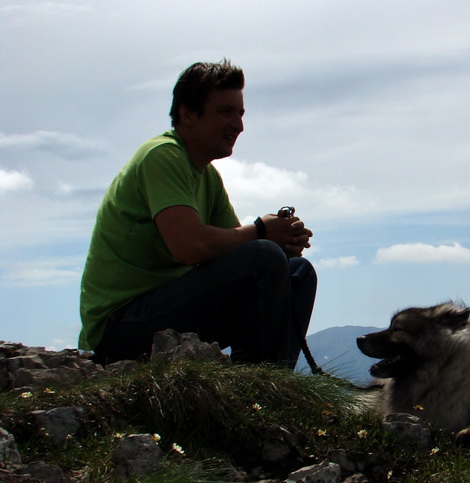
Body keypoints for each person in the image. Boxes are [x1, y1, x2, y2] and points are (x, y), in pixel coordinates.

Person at [78, 59, 317, 369]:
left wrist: (282, 242)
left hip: (165, 312)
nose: (238, 125)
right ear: (187, 114)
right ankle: (257, 388)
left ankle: (269, 385)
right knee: (264, 257)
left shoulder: (206, 175)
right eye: (225, 112)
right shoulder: (162, 155)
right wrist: (262, 231)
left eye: (240, 113)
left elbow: (238, 251)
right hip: (119, 327)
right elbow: (190, 247)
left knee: (297, 271)